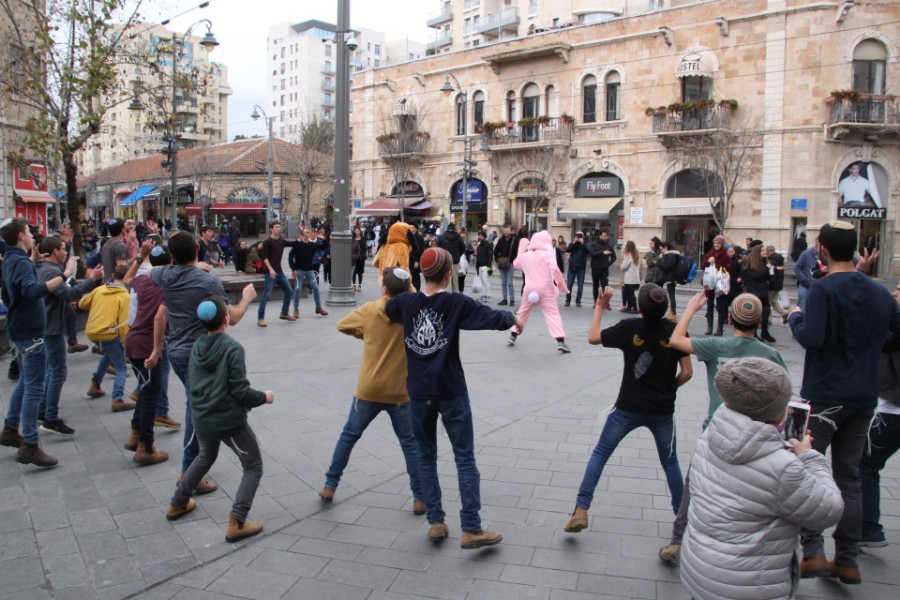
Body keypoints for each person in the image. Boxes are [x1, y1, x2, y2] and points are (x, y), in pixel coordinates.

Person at [385, 247, 520, 549]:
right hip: (451, 390)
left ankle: (436, 521)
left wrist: (409, 286)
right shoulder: (455, 303)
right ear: (449, 275)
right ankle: (471, 527)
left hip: (418, 393)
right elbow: (489, 317)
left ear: (421, 274)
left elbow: (389, 306)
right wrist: (513, 318)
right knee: (464, 457)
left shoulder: (406, 303)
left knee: (425, 455)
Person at [789, 220, 899, 585]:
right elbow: (895, 335)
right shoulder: (881, 293)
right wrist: (868, 344)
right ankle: (848, 558)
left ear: (821, 248)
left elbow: (813, 338)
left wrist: (794, 318)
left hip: (824, 395)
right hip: (863, 397)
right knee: (848, 477)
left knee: (808, 468)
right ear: (855, 248)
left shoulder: (822, 290)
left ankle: (814, 551)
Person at [680, 358, 843, 600]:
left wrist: (777, 446)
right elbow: (828, 510)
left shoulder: (711, 436)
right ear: (777, 410)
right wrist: (809, 457)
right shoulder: (783, 469)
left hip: (701, 569)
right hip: (750, 585)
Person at [657, 292, 786, 567]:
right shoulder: (770, 354)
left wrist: (691, 309)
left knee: (695, 485)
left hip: (716, 431)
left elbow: (676, 340)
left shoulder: (717, 345)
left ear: (729, 318)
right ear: (759, 321)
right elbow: (783, 400)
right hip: (757, 436)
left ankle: (678, 540)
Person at [565, 283, 692, 534]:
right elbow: (687, 372)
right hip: (662, 411)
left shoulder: (629, 327)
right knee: (670, 462)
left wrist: (600, 307)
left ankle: (581, 508)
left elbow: (593, 338)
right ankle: (681, 517)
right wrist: (670, 388)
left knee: (601, 452)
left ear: (640, 308)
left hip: (628, 406)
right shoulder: (675, 331)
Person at [151, 231, 257, 492]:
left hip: (175, 351)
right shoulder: (207, 281)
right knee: (195, 411)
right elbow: (231, 318)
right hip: (199, 355)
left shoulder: (164, 275)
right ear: (198, 250)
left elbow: (146, 270)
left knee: (194, 404)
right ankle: (189, 474)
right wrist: (247, 297)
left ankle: (194, 467)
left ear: (172, 256)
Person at [165, 297, 274, 543]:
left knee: (205, 456)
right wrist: (263, 397)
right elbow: (240, 391)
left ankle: (178, 502)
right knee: (253, 466)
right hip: (227, 421)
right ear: (226, 319)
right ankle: (237, 521)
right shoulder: (232, 348)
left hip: (201, 417)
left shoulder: (196, 346)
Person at [320, 267, 423, 511]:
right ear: (408, 290)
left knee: (349, 436)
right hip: (400, 392)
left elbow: (342, 325)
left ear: (384, 289)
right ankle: (420, 497)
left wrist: (365, 334)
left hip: (369, 389)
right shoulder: (413, 312)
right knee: (410, 443)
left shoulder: (369, 310)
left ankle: (330, 485)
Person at [0, 218, 77, 467]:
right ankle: (31, 445)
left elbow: (18, 284)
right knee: (35, 385)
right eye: (29, 233)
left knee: (26, 380)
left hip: (20, 328)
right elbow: (32, 291)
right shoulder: (19, 261)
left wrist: (32, 261)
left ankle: (11, 428)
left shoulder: (13, 258)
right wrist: (64, 275)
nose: (34, 237)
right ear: (21, 236)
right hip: (30, 331)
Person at [35, 236, 103, 437]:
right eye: (63, 249)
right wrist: (91, 280)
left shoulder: (46, 269)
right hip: (52, 329)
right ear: (55, 251)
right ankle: (50, 417)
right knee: (57, 372)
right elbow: (70, 294)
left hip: (49, 326)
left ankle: (43, 409)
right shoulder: (49, 271)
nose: (66, 252)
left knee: (51, 371)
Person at [122, 241, 172, 466]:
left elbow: (125, 280)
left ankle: (135, 434)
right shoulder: (167, 285)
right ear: (170, 262)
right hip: (147, 344)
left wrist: (139, 257)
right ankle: (146, 446)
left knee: (145, 390)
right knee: (151, 394)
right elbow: (159, 318)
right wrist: (157, 348)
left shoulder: (143, 280)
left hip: (133, 340)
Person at [858, 281, 900, 549]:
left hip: (894, 412)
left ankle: (870, 529)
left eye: (899, 290)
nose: (895, 293)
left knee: (866, 463)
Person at [79, 264, 136, 413]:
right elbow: (124, 324)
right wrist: (128, 344)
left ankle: (95, 383)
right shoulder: (124, 296)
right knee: (121, 366)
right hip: (108, 332)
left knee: (110, 352)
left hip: (91, 331)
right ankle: (117, 398)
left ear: (113, 276)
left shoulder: (99, 289)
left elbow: (82, 304)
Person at [507, 231, 571, 353]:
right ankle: (560, 341)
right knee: (552, 314)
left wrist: (522, 248)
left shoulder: (526, 255)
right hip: (545, 289)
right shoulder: (547, 255)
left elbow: (516, 264)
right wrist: (563, 287)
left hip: (529, 288)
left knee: (522, 312)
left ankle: (513, 335)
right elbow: (556, 271)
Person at [257, 222, 302, 327]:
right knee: (266, 295)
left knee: (289, 291)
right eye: (276, 227)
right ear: (271, 229)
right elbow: (264, 258)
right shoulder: (267, 243)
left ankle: (284, 313)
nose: (278, 229)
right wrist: (270, 269)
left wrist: (301, 232)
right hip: (270, 272)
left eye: (279, 227)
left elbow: (295, 243)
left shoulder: (281, 241)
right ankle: (261, 318)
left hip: (279, 272)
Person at [287, 226, 329, 318]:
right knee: (298, 289)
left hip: (309, 270)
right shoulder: (298, 245)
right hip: (300, 271)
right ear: (302, 234)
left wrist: (323, 239)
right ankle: (296, 309)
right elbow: (290, 256)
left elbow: (324, 246)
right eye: (306, 232)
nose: (307, 234)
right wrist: (293, 269)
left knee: (316, 288)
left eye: (308, 233)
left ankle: (318, 307)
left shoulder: (312, 245)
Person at [741, 245, 774, 343]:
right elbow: (753, 276)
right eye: (762, 250)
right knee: (756, 313)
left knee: (766, 311)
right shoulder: (749, 262)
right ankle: (754, 333)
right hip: (753, 291)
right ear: (757, 252)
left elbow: (766, 277)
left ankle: (764, 331)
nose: (765, 252)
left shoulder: (764, 262)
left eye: (765, 250)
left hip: (762, 290)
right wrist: (766, 270)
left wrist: (771, 272)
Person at [701, 235, 730, 336]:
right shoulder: (710, 253)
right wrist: (708, 262)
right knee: (709, 305)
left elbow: (727, 268)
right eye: (715, 243)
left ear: (722, 244)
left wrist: (718, 267)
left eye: (719, 243)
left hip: (720, 282)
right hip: (710, 282)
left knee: (720, 305)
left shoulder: (726, 254)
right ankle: (709, 327)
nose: (717, 245)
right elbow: (703, 266)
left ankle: (719, 329)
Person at [437, 222, 466, 293]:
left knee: (447, 278)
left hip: (446, 261)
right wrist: (458, 255)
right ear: (454, 228)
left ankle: (448, 294)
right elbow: (463, 248)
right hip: (455, 261)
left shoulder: (442, 236)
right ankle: (455, 294)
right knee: (455, 279)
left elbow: (439, 249)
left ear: (448, 228)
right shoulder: (458, 237)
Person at [588, 231, 616, 305]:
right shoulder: (594, 244)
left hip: (604, 269)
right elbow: (592, 254)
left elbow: (614, 257)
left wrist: (607, 264)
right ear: (600, 236)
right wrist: (602, 252)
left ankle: (605, 302)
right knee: (595, 285)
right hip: (595, 268)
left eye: (607, 236)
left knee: (605, 286)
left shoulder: (609, 246)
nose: (606, 237)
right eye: (604, 236)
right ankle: (596, 301)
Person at [493, 225, 518, 306]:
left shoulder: (514, 240)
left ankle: (512, 300)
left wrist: (512, 260)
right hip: (501, 264)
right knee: (503, 282)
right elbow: (495, 251)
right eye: (505, 231)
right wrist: (497, 260)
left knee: (510, 282)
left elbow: (517, 252)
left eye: (507, 231)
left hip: (510, 264)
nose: (506, 232)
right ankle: (504, 299)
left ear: (511, 231)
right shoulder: (501, 240)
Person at [765, 245, 789, 325]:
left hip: (772, 284)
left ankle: (768, 319)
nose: (765, 252)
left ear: (769, 251)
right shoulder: (779, 259)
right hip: (778, 284)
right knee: (774, 301)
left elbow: (770, 272)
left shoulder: (771, 261)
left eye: (766, 251)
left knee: (767, 302)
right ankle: (784, 313)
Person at [564, 231, 589, 307]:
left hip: (581, 267)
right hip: (572, 267)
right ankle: (568, 300)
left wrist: (583, 243)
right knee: (569, 285)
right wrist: (573, 242)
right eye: (577, 237)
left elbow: (589, 252)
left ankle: (578, 301)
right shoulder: (573, 244)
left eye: (580, 237)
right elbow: (567, 250)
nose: (578, 239)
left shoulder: (584, 245)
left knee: (580, 286)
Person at [793, 237, 819, 311]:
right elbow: (797, 268)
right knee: (802, 308)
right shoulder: (806, 254)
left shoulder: (825, 255)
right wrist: (805, 280)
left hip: (818, 286)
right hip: (805, 286)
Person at [657, 241, 681, 319]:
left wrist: (658, 263)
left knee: (671, 296)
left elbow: (666, 266)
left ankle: (673, 313)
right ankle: (672, 312)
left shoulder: (671, 255)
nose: (661, 251)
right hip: (670, 277)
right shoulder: (671, 255)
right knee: (671, 295)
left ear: (666, 248)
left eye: (661, 249)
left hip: (671, 278)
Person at [100, 218, 128, 283]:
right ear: (122, 230)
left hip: (105, 283)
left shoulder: (106, 244)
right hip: (115, 285)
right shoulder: (120, 246)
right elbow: (121, 270)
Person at [619, 240, 641, 313]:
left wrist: (621, 265)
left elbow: (624, 267)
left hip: (629, 278)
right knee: (631, 293)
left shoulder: (627, 255)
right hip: (635, 278)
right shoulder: (636, 255)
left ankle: (632, 308)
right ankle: (631, 307)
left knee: (629, 294)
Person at [474, 230, 493, 303]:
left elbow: (490, 256)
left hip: (486, 266)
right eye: (479, 236)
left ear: (484, 237)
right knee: (482, 281)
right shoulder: (479, 245)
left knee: (485, 281)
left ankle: (488, 296)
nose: (480, 237)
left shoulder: (489, 244)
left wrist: (489, 267)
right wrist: (477, 267)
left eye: (481, 236)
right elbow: (478, 256)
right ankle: (484, 295)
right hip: (480, 266)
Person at [408, 222, 425, 292]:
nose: (411, 229)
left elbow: (421, 250)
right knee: (410, 275)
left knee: (416, 276)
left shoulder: (419, 238)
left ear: (416, 229)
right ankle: (411, 290)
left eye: (413, 227)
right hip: (409, 259)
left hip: (416, 260)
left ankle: (417, 290)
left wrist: (417, 261)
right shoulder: (409, 236)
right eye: (410, 227)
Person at [351, 226, 367, 292]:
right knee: (353, 272)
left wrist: (362, 256)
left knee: (360, 272)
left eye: (358, 231)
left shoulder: (363, 239)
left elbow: (365, 248)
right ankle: (354, 285)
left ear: (360, 232)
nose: (357, 232)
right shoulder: (352, 239)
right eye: (355, 231)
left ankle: (359, 285)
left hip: (361, 258)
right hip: (353, 258)